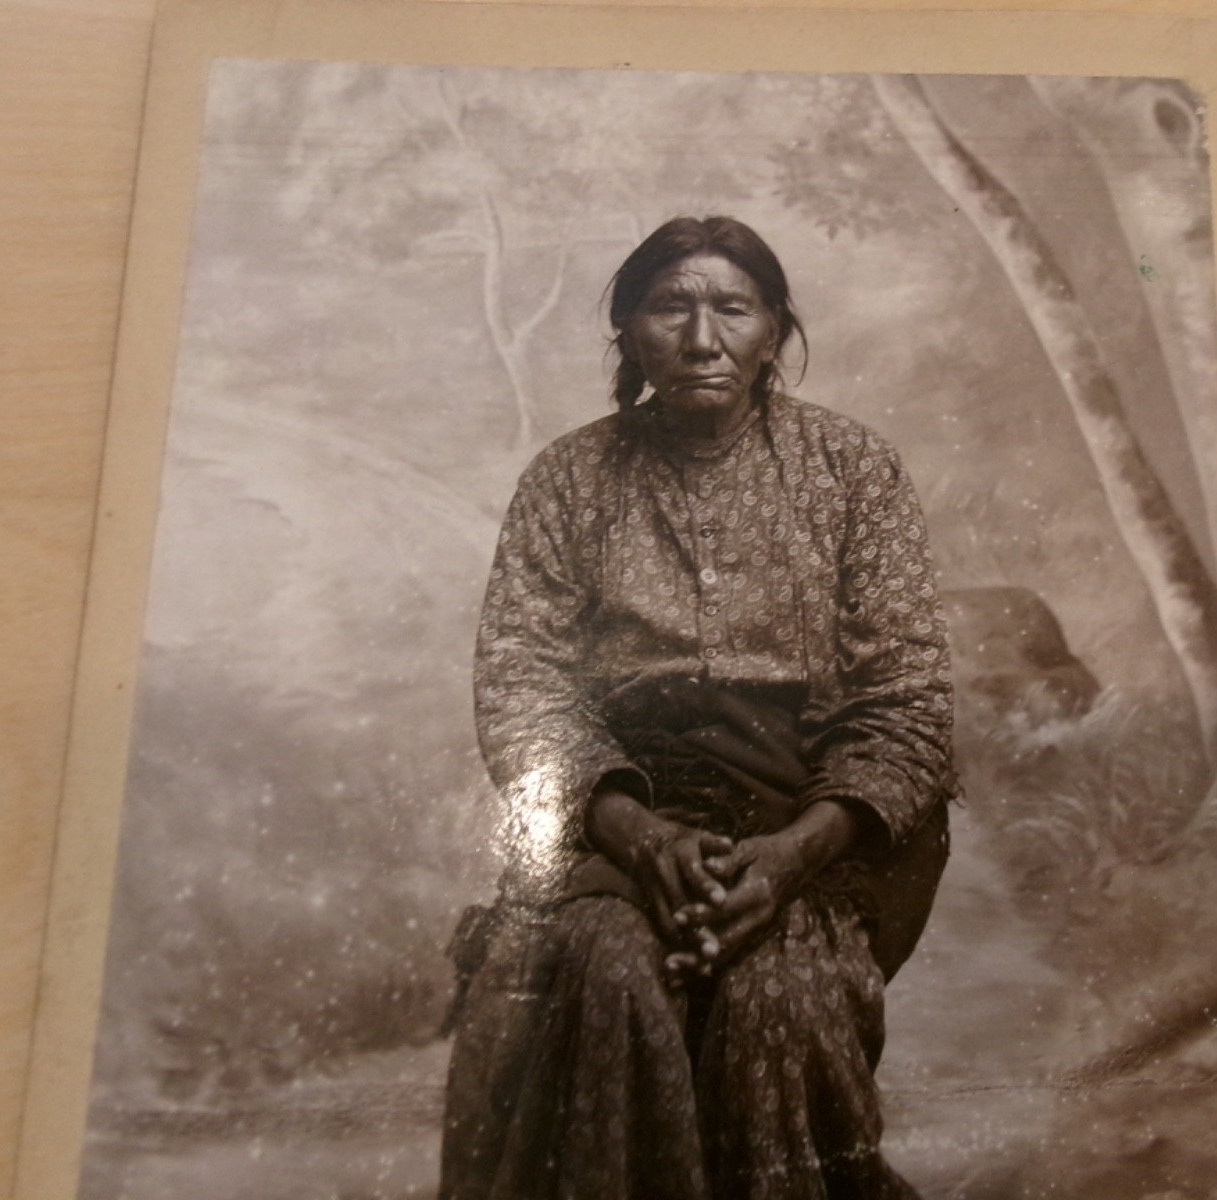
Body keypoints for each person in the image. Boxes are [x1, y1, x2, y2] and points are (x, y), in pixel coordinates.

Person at [440, 215, 955, 1200]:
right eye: (671, 306)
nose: (701, 336)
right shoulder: (568, 478)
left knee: (778, 1001)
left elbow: (905, 697)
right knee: (606, 972)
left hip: (815, 827)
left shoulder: (852, 471)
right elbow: (523, 686)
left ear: (773, 327)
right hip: (618, 820)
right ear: (629, 329)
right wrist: (634, 833)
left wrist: (794, 851)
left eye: (733, 306)